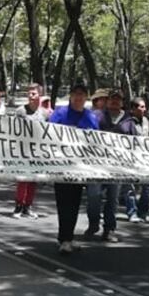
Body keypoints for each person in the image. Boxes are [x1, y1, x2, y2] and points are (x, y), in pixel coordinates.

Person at [49, 84, 101, 254]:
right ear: (70, 96)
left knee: (75, 203)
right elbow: (48, 134)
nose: (79, 97)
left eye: (82, 94)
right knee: (64, 203)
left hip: (81, 168)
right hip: (62, 166)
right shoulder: (60, 114)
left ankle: (68, 238)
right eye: (76, 94)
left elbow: (98, 140)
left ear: (86, 97)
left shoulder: (90, 117)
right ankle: (64, 239)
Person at [86, 88, 132, 243]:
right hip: (96, 166)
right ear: (107, 101)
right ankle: (93, 224)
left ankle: (109, 229)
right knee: (93, 196)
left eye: (118, 99)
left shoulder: (128, 120)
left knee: (113, 199)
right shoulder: (97, 116)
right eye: (112, 98)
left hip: (117, 167)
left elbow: (137, 142)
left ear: (122, 102)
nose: (115, 101)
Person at [12, 83, 47, 218]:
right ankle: (18, 206)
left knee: (33, 179)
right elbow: (13, 130)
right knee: (22, 178)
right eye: (29, 93)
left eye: (34, 93)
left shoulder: (44, 113)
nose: (31, 96)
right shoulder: (20, 111)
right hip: (23, 149)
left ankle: (28, 206)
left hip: (37, 151)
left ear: (40, 95)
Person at [124, 97, 149, 224]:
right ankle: (132, 212)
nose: (144, 109)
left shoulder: (146, 121)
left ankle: (144, 212)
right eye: (141, 107)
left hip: (145, 159)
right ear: (133, 109)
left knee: (148, 186)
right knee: (130, 187)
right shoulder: (127, 122)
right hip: (131, 159)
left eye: (144, 106)